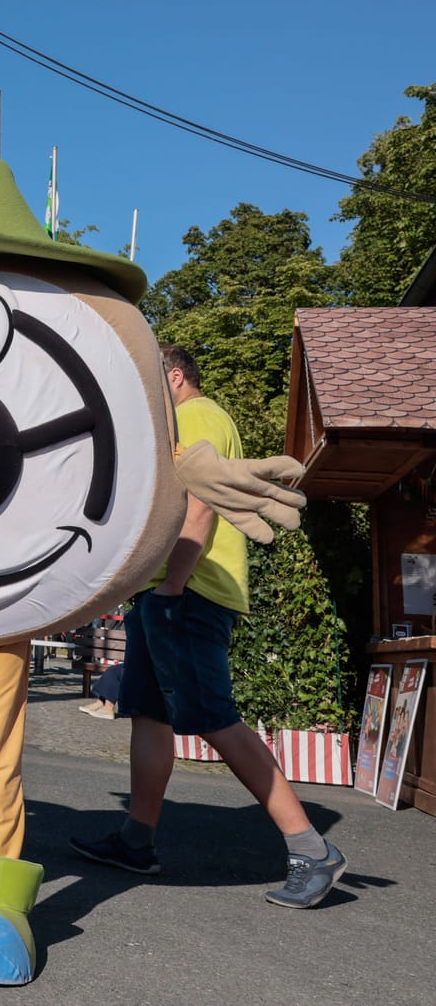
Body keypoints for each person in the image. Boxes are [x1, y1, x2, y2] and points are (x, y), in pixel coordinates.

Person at [72, 346, 347, 907]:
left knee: (215, 718)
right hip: (170, 592)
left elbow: (199, 504)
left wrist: (172, 583)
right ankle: (136, 840)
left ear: (175, 377)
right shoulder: (203, 419)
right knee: (149, 714)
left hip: (189, 591)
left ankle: (311, 850)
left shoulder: (196, 416)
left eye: (154, 382)